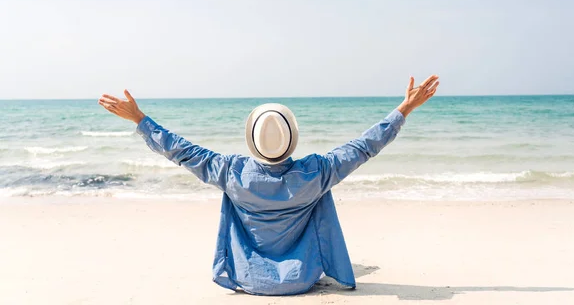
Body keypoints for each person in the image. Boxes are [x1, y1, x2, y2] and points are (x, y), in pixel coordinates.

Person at [98, 75, 439, 295]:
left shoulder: (232, 172)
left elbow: (182, 151)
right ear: (291, 139)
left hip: (250, 280)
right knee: (321, 194)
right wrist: (404, 109)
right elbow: (364, 146)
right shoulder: (316, 172)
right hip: (302, 280)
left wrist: (141, 120)